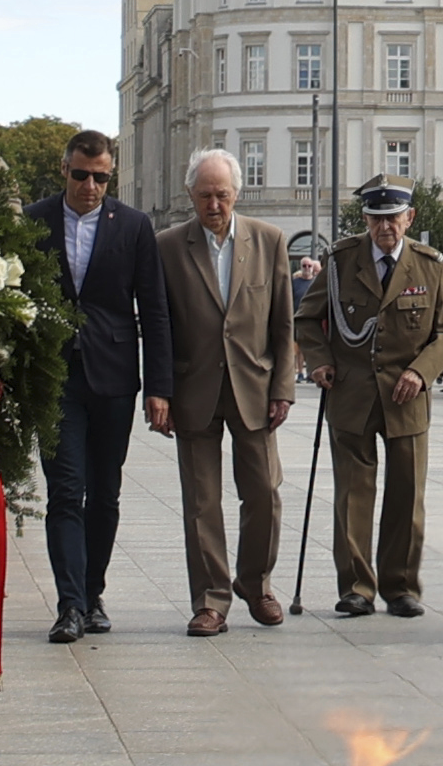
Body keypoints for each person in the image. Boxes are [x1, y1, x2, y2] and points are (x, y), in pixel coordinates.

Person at [150, 145, 294, 635]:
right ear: (190, 194)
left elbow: (284, 323)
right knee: (201, 502)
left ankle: (256, 584)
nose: (215, 205)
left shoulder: (269, 240)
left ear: (237, 193)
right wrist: (159, 392)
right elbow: (159, 326)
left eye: (223, 195)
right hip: (193, 389)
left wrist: (283, 388)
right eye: (205, 195)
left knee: (265, 493)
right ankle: (211, 600)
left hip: (254, 388)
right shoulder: (168, 246)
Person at [303, 180, 443, 616]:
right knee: (353, 496)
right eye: (376, 219)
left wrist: (421, 372)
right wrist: (319, 360)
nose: (384, 227)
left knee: (406, 495)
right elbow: (307, 318)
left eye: (393, 218)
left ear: (410, 218)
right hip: (351, 392)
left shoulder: (430, 265)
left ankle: (400, 586)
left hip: (407, 397)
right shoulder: (340, 261)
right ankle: (357, 587)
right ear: (365, 219)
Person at [28, 128, 155, 643]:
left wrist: (159, 387)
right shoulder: (34, 222)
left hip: (113, 376)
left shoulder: (134, 226)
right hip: (55, 375)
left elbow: (155, 309)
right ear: (65, 170)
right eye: (81, 175)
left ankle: (92, 592)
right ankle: (70, 605)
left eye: (101, 178)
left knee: (104, 493)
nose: (90, 187)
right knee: (64, 490)